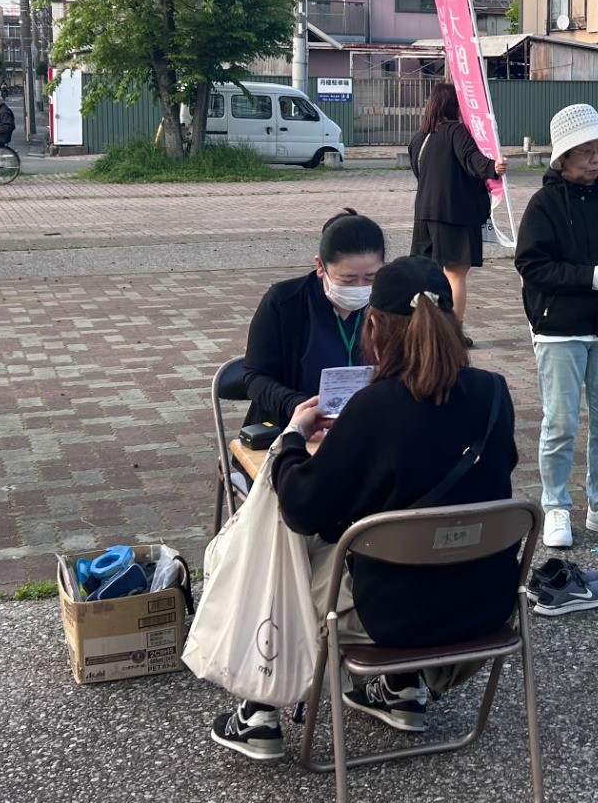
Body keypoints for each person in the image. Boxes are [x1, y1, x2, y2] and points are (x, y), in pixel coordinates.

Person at [212, 255, 520, 760]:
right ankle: (401, 687)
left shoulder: (375, 406)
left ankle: (259, 711)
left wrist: (292, 440)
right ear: (451, 322)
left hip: (390, 617)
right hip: (484, 606)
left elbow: (303, 507)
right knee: (409, 537)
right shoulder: (493, 394)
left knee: (283, 552)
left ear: (374, 327)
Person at [514, 102, 598, 550]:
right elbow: (532, 265)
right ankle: (555, 505)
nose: (595, 160)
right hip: (558, 330)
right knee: (560, 424)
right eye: (586, 151)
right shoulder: (543, 204)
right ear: (563, 156)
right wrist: (593, 277)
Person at [241, 210, 386, 430]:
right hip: (296, 426)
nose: (359, 288)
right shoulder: (285, 302)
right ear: (320, 267)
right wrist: (296, 405)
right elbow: (256, 377)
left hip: (368, 425)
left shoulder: (389, 305)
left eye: (370, 278)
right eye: (347, 279)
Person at [409, 83, 506, 339]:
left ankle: (425, 330)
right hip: (455, 214)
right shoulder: (455, 131)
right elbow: (471, 160)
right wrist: (493, 167)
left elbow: (419, 172)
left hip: (424, 213)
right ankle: (453, 335)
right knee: (455, 274)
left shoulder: (419, 138)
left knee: (427, 273)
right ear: (455, 105)